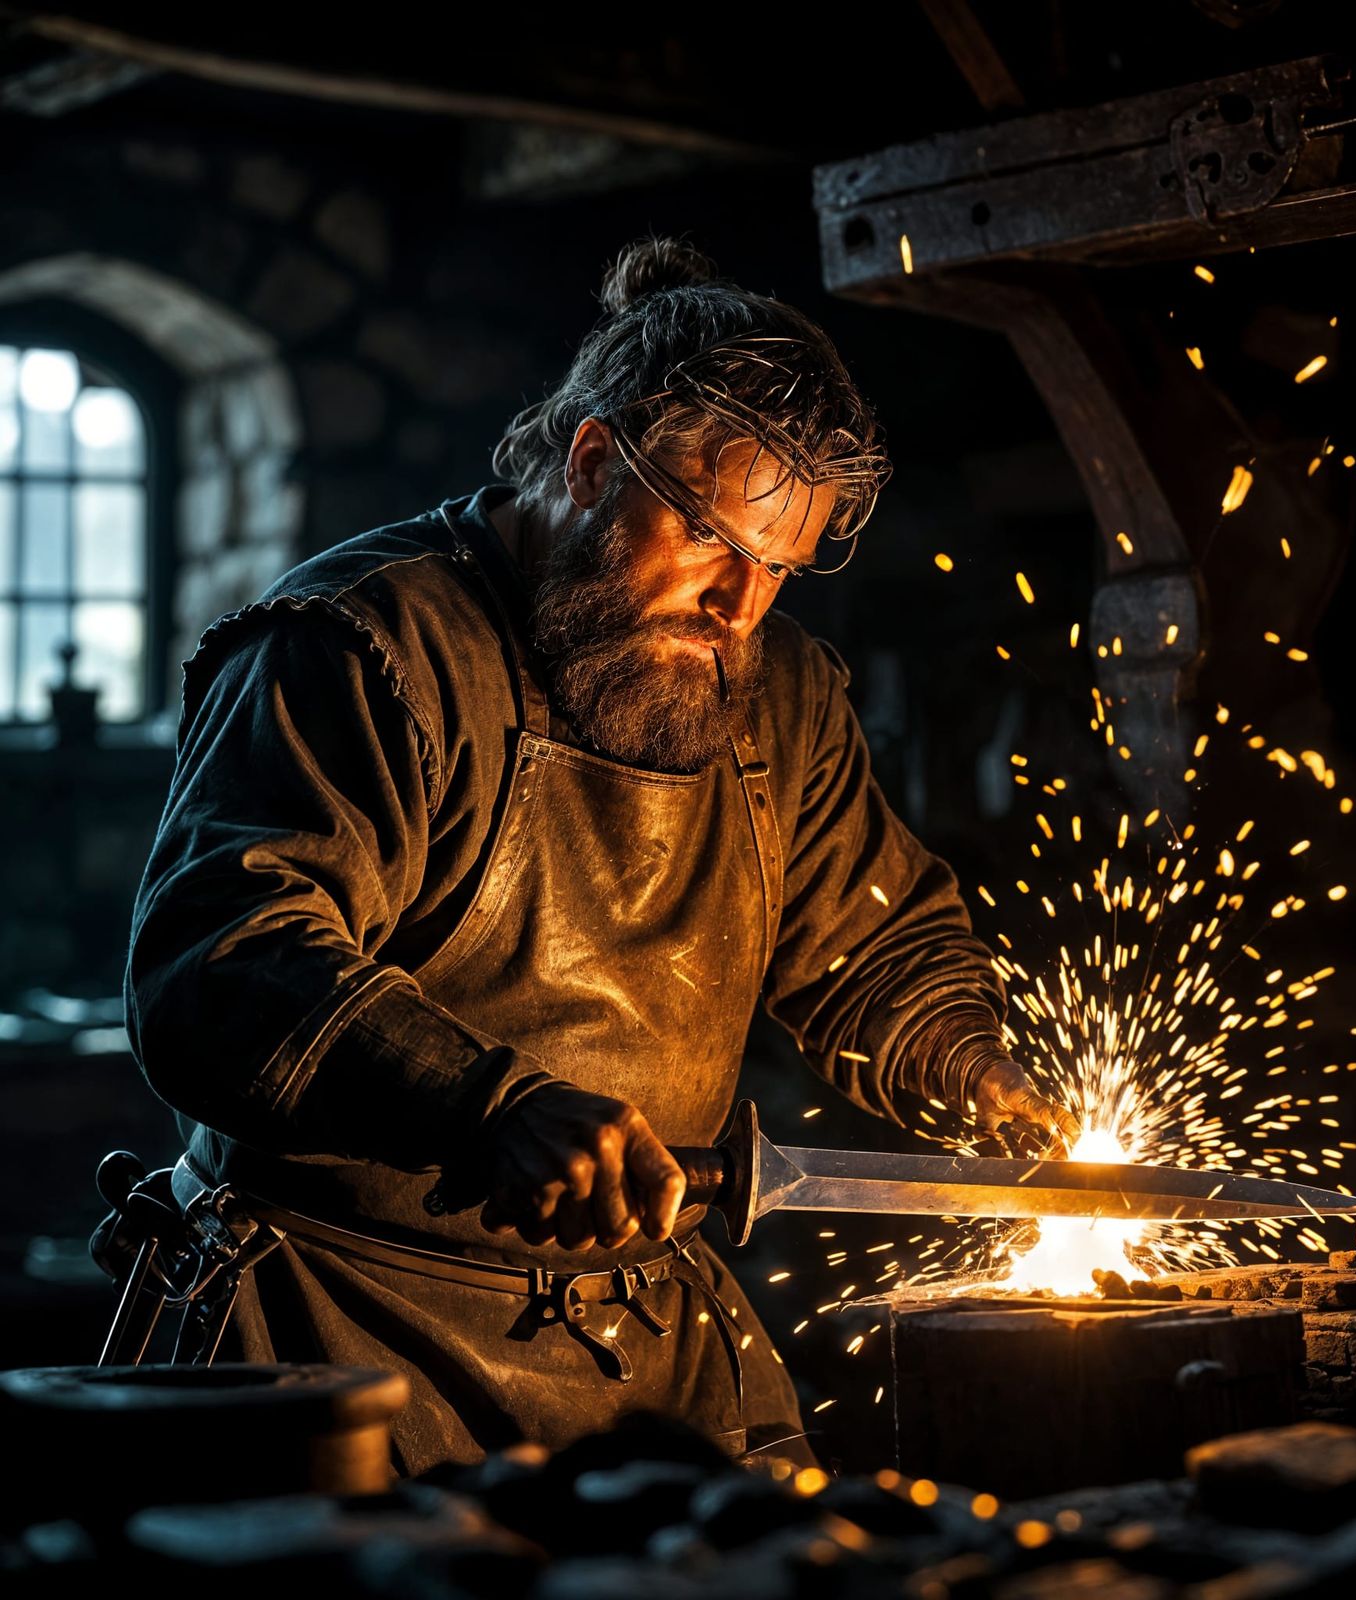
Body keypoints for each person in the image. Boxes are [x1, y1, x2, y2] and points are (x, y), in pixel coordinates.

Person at [125, 236, 1080, 1474]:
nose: (736, 609)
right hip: (331, 1334)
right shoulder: (364, 651)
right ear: (590, 460)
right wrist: (491, 1104)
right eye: (709, 542)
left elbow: (871, 942)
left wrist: (969, 1065)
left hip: (644, 1344)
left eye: (775, 570)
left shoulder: (774, 697)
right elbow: (223, 962)